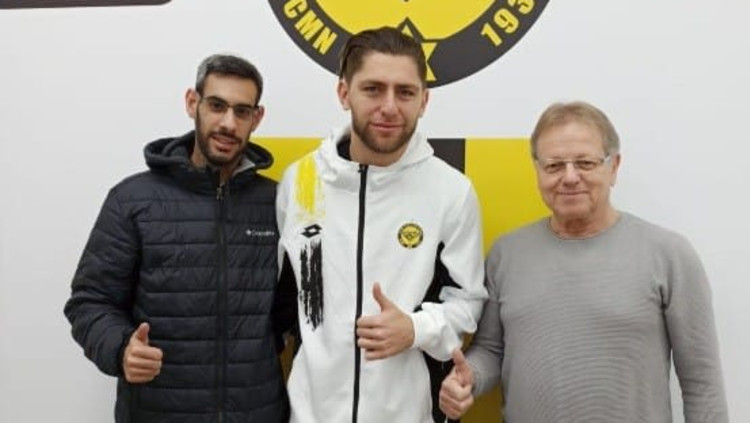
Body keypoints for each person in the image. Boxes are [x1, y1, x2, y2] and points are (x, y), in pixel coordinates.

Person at [439, 101, 729, 422]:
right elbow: (491, 350)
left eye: (585, 163)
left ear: (614, 166)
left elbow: (702, 384)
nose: (570, 177)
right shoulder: (506, 254)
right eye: (554, 165)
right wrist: (469, 378)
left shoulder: (669, 255)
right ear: (537, 170)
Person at [64, 54, 295, 423]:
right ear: (192, 102)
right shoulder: (133, 199)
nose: (228, 123)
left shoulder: (279, 201)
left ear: (257, 117)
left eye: (242, 111)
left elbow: (294, 309)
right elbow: (90, 301)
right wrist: (121, 348)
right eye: (217, 106)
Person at [275, 27, 487, 423]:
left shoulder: (451, 191)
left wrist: (416, 328)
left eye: (405, 92)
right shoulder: (300, 181)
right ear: (344, 93)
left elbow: (468, 301)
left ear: (424, 101)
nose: (389, 107)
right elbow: (285, 304)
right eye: (373, 89)